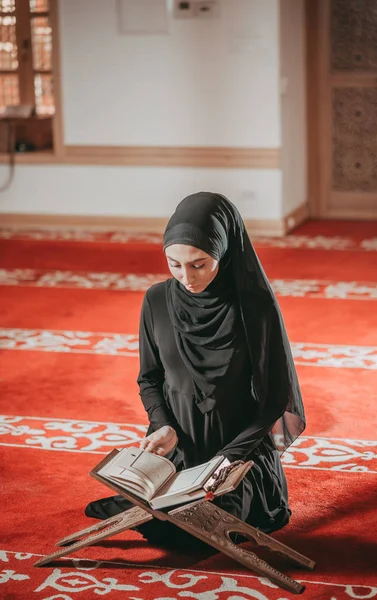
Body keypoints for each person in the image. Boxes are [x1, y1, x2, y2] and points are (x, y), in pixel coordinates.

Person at [85, 192, 305, 547]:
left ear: (225, 252)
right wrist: (163, 426)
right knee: (169, 523)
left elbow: (274, 399)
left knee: (207, 526)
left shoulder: (254, 307)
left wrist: (229, 457)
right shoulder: (156, 299)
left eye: (199, 264)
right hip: (180, 447)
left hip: (237, 452)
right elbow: (150, 378)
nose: (186, 277)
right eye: (174, 264)